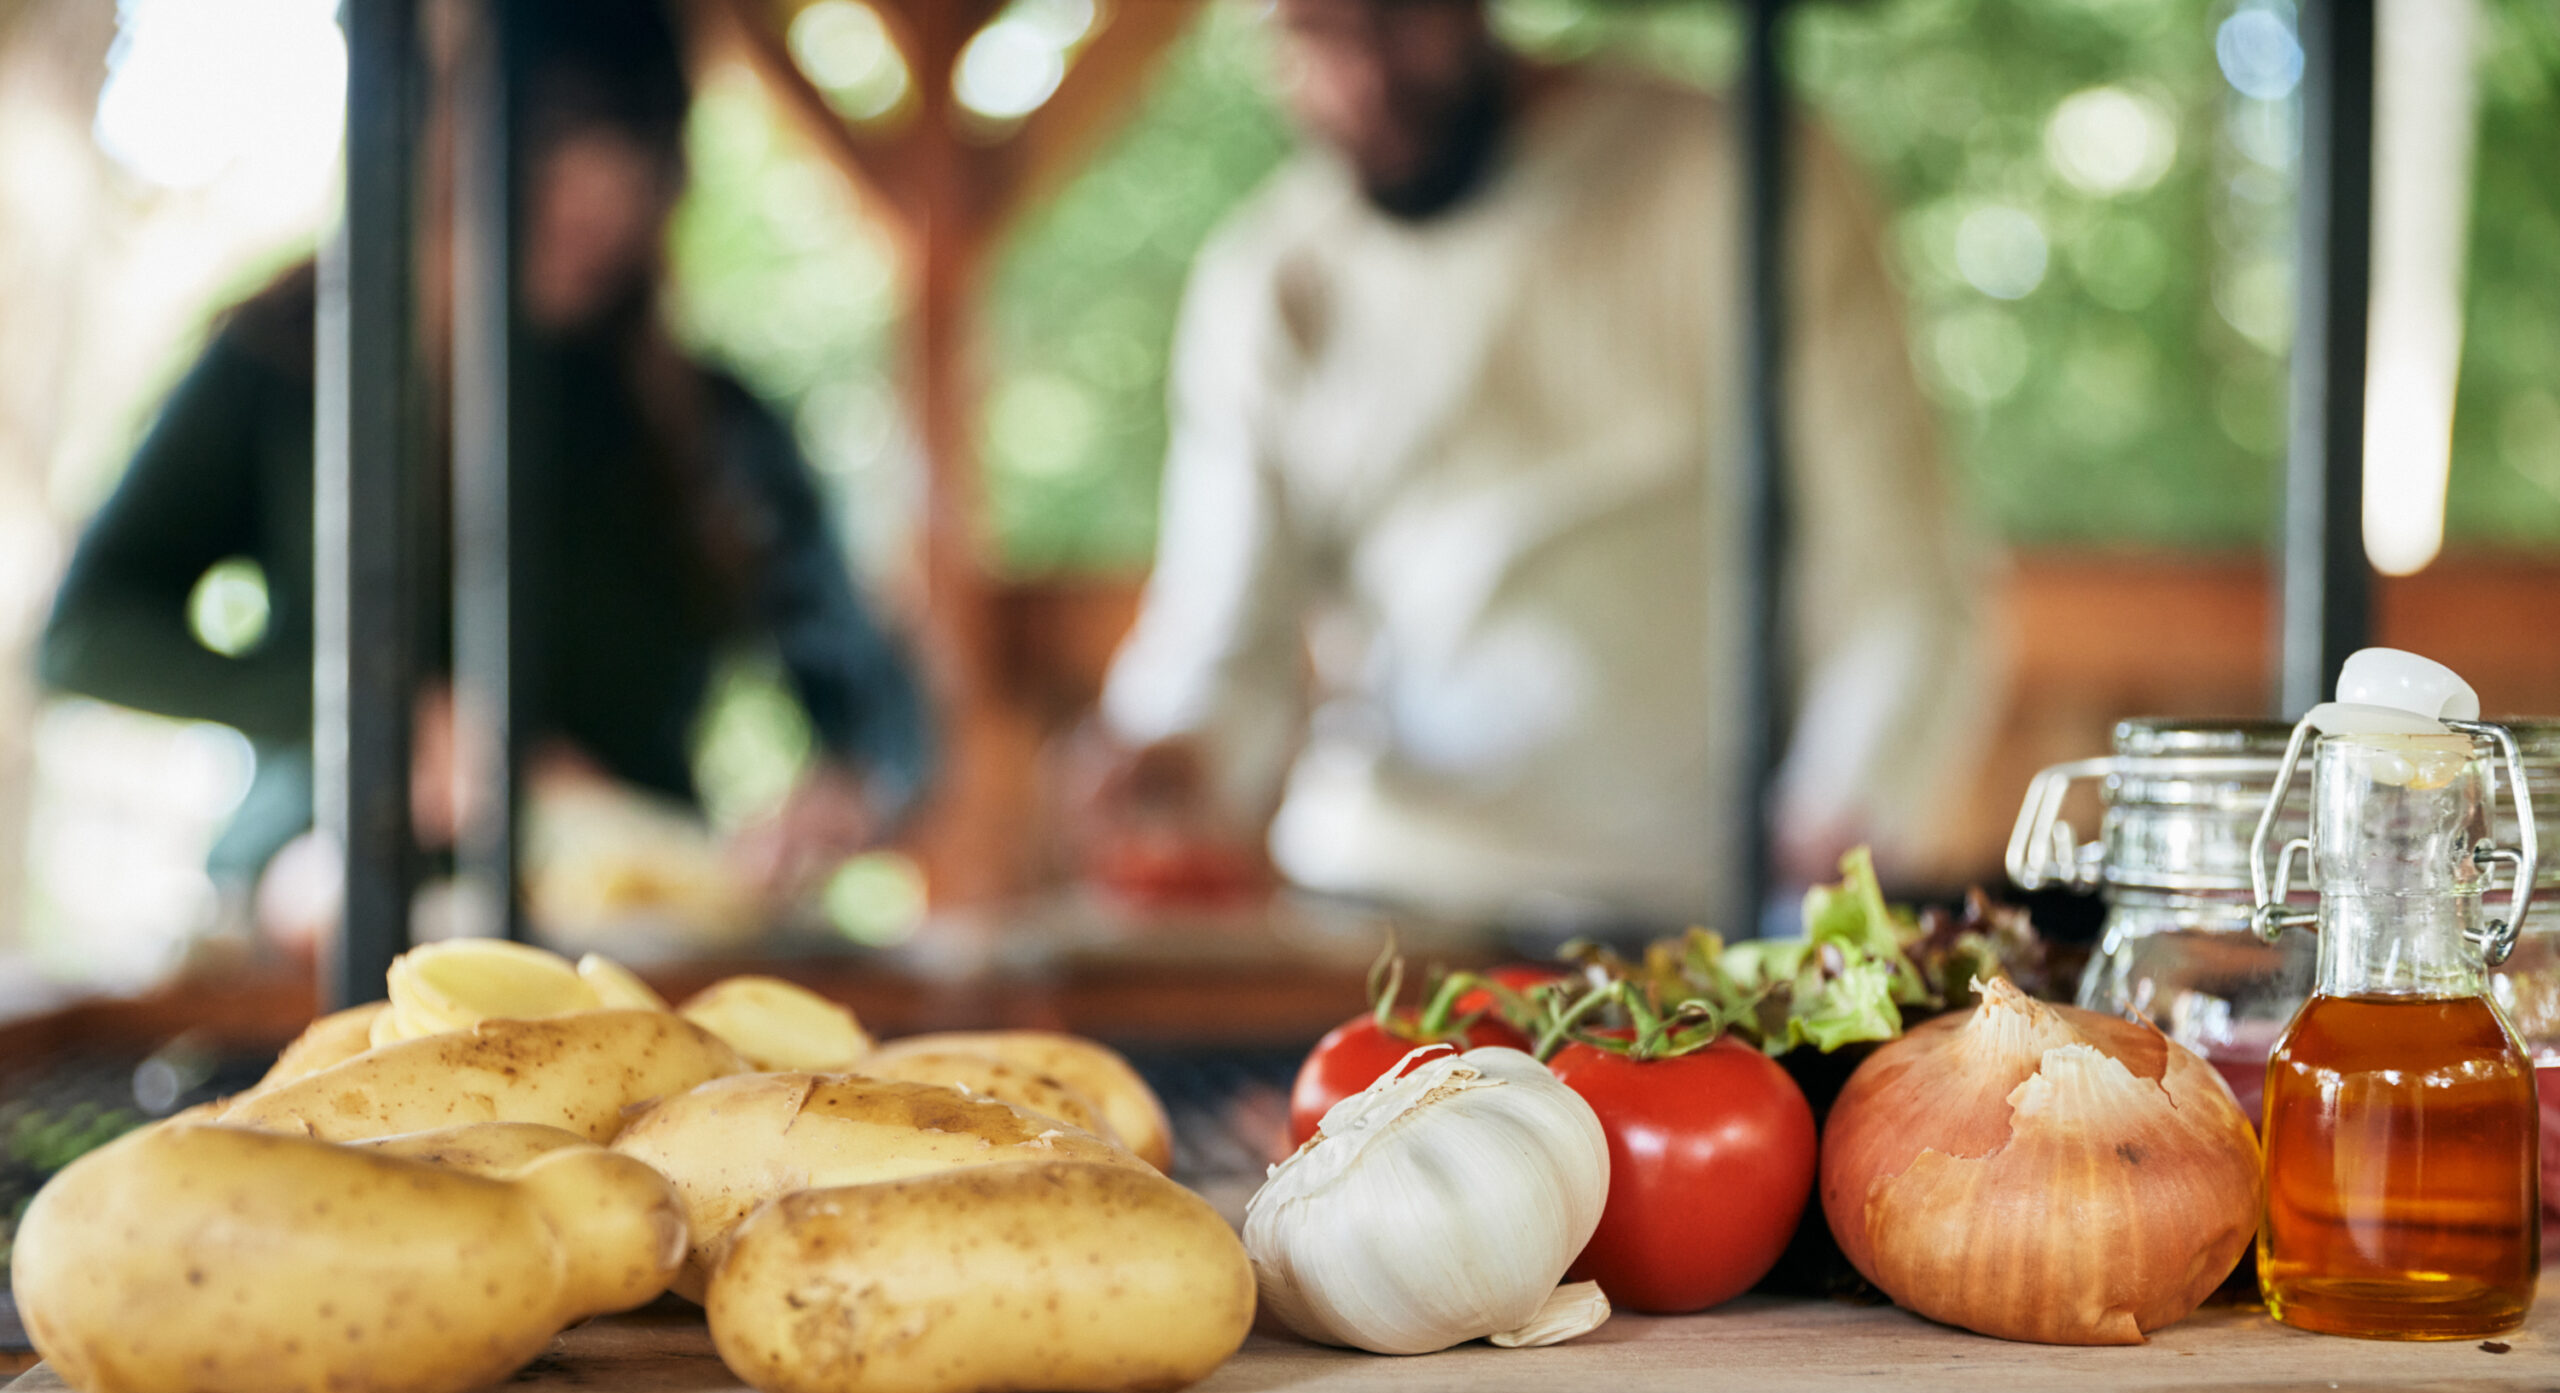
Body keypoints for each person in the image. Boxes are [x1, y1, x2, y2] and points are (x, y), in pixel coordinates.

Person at [1089, 0, 1990, 936]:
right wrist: (1171, 763)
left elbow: (1901, 581)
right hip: (1373, 903)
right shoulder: (1274, 276)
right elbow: (1221, 634)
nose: (1365, 80)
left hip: (1682, 920)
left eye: (1397, 23)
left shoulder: (1738, 178)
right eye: (1315, 35)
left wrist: (1841, 818)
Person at [38, 0, 929, 936]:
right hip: (321, 889)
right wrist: (381, 715)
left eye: (635, 143)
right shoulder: (295, 354)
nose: (601, 189)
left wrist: (848, 786)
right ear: (453, 131)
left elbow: (870, 691)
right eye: (559, 136)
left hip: (626, 932)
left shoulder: (711, 418)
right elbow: (88, 632)